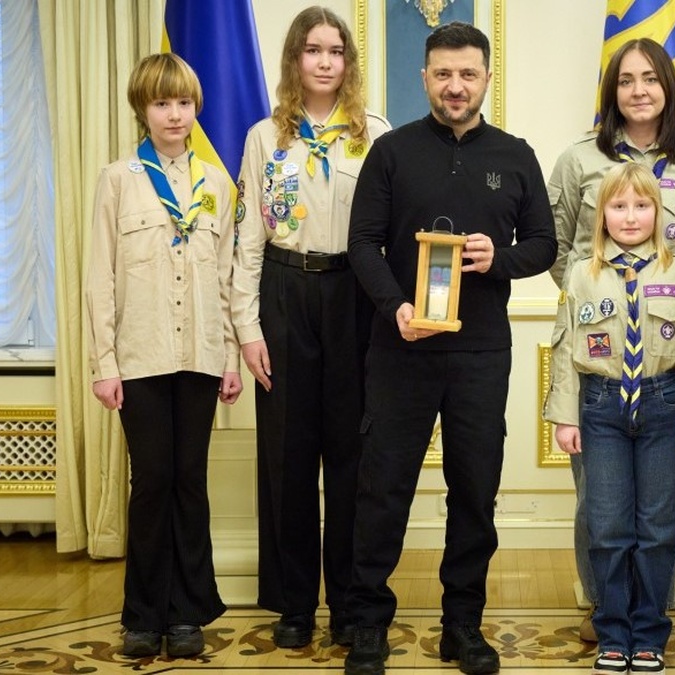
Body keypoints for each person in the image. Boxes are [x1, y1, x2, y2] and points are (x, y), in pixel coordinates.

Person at [343, 21, 557, 675]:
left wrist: (501, 258)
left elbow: (545, 244)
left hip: (481, 354)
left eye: (467, 73)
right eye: (443, 73)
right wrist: (396, 306)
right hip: (400, 346)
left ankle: (462, 625)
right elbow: (363, 243)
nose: (455, 85)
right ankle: (368, 624)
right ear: (424, 77)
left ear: (487, 78)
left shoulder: (515, 154)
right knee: (382, 489)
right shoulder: (392, 152)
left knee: (474, 491)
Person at [547, 37, 675, 642]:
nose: (639, 90)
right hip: (598, 346)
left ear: (669, 88)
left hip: (667, 359)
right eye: (626, 80)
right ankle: (605, 613)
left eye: (651, 78)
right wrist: (602, 292)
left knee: (658, 513)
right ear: (611, 90)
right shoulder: (578, 159)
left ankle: (650, 620)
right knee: (602, 506)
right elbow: (560, 244)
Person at [231, 6, 391, 650]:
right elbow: (246, 237)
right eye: (313, 50)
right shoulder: (265, 137)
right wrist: (247, 326)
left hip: (352, 293)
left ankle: (352, 604)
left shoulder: (373, 134)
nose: (325, 62)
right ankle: (294, 603)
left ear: (348, 64)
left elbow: (387, 235)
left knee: (353, 460)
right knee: (289, 459)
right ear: (295, 59)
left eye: (336, 51)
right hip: (283, 291)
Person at [85, 52, 241, 659]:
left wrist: (229, 355)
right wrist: (104, 363)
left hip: (200, 355)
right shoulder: (117, 179)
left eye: (183, 103)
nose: (174, 114)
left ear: (195, 107)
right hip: (141, 354)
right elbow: (101, 276)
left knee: (189, 481)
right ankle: (143, 614)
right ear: (142, 109)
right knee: (151, 482)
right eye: (161, 103)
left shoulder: (216, 182)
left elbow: (227, 277)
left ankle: (187, 613)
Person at [544, 162, 675, 675]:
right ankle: (612, 631)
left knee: (658, 527)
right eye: (618, 205)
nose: (630, 216)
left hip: (664, 404)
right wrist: (564, 417)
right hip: (600, 407)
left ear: (660, 212)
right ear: (601, 215)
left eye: (642, 205)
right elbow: (564, 348)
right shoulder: (581, 273)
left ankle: (649, 633)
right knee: (606, 525)